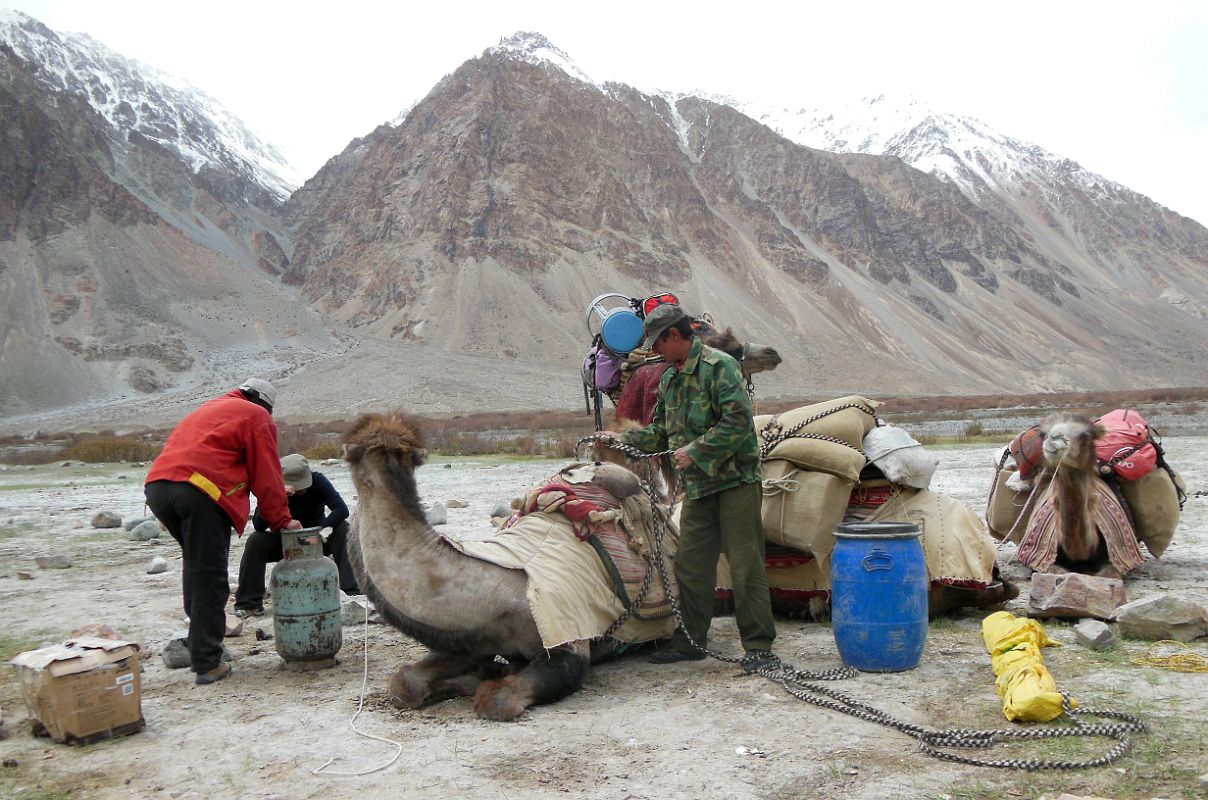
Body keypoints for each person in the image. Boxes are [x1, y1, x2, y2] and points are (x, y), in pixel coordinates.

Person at [605, 303, 778, 672]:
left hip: (735, 483)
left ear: (674, 335)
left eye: (658, 343)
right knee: (691, 565)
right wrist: (625, 438)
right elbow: (662, 433)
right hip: (698, 488)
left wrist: (695, 451)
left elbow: (738, 423)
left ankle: (759, 647)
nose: (655, 352)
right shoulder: (670, 379)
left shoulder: (721, 367)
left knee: (746, 564)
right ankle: (691, 641)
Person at [144, 378, 301, 685]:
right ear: (262, 403)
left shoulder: (212, 408)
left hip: (158, 488)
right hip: (200, 491)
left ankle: (201, 644)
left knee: (196, 566)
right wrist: (282, 520)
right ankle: (207, 661)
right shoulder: (256, 416)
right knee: (210, 577)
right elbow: (266, 474)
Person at [233, 453, 359, 617]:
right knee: (255, 541)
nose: (302, 489)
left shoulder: (318, 480)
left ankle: (350, 593)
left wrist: (320, 531)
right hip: (286, 542)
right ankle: (249, 604)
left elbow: (341, 509)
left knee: (344, 529)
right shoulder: (274, 488)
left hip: (316, 539)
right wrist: (277, 498)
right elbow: (258, 525)